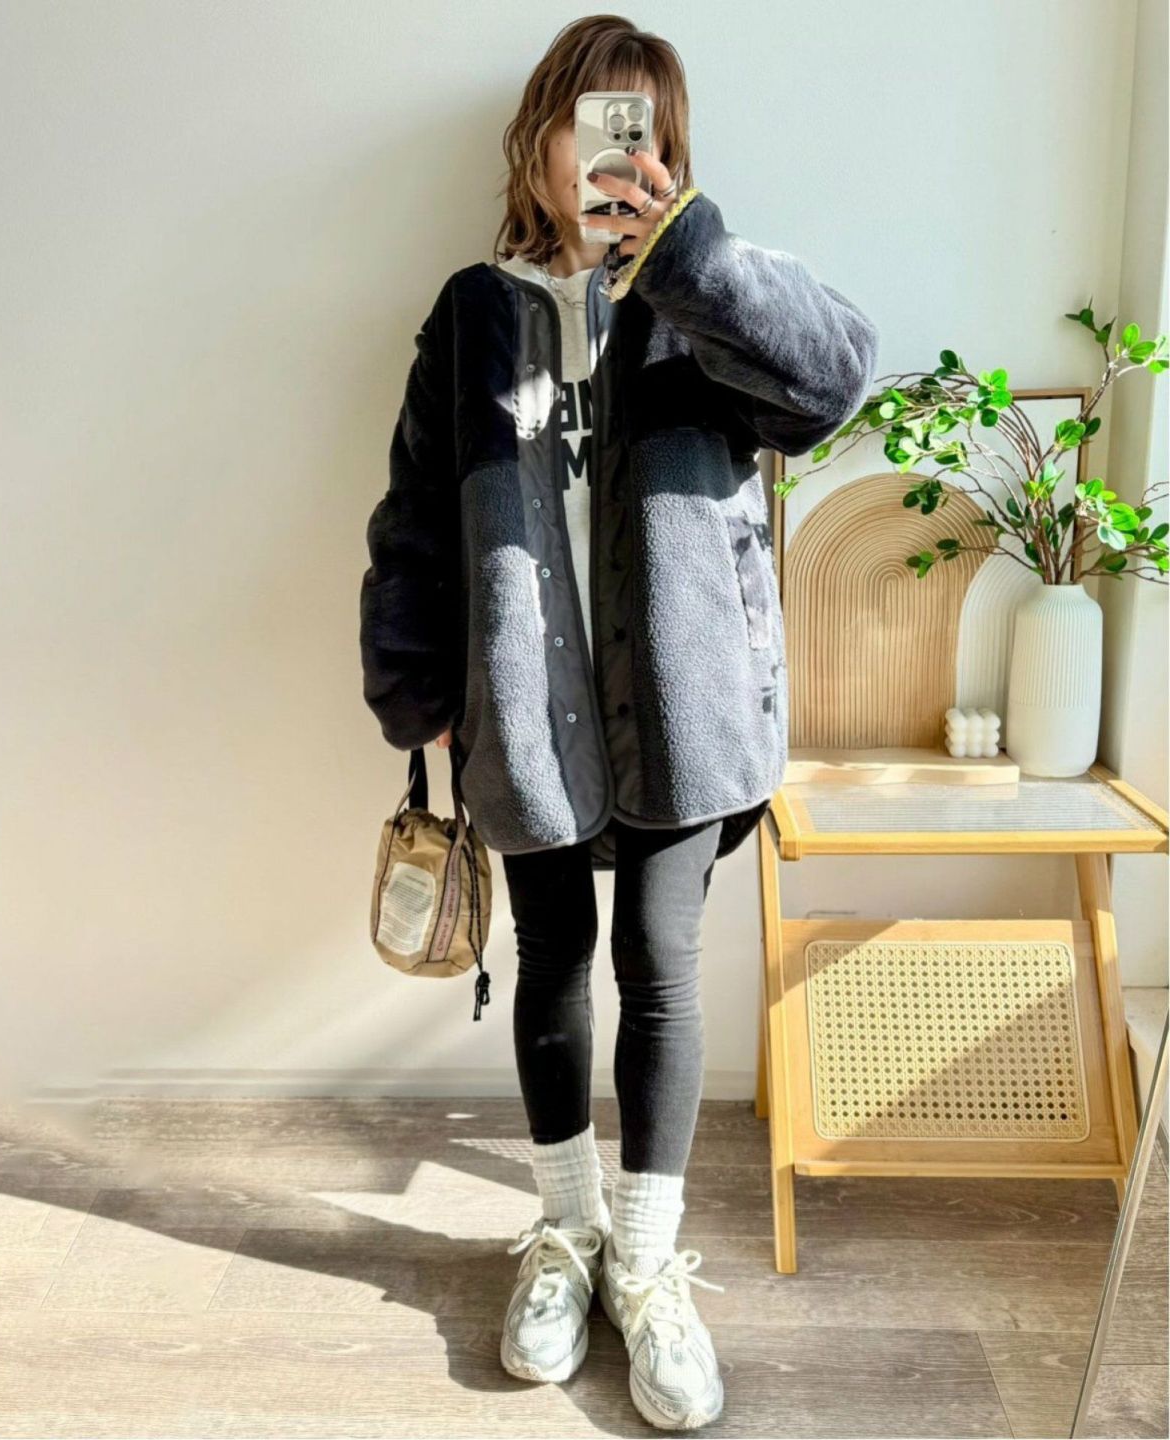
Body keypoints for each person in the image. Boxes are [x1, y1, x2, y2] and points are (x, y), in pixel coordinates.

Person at [359, 16, 879, 1431]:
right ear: (538, 141)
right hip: (526, 711)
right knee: (552, 966)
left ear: (668, 155)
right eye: (587, 124)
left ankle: (646, 1265)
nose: (608, 157)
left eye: (637, 132)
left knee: (660, 968)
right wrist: (420, 688)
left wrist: (687, 258)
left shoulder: (708, 296)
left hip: (685, 710)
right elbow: (414, 514)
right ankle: (566, 1237)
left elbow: (837, 380)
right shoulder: (474, 312)